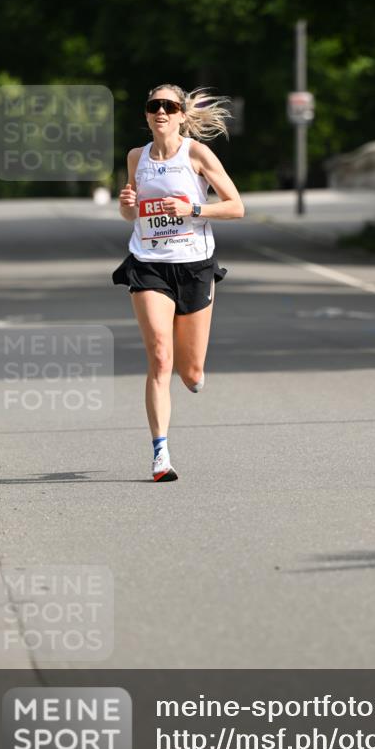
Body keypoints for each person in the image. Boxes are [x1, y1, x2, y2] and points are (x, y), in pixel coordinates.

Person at [112, 84, 244, 482]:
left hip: (194, 266)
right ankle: (160, 454)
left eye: (170, 106)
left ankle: (195, 374)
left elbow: (236, 206)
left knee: (189, 372)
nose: (162, 112)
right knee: (160, 358)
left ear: (183, 114)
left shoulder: (197, 154)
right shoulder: (137, 157)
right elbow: (130, 216)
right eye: (155, 106)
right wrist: (126, 206)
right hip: (149, 263)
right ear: (147, 114)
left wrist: (193, 208)